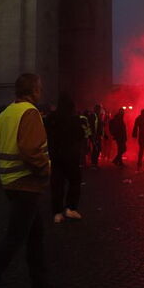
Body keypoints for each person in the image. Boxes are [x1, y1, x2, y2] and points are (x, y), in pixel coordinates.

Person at [0, 74, 53, 288]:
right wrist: (44, 169)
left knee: (36, 235)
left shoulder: (6, 113)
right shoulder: (30, 112)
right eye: (40, 88)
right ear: (33, 90)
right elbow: (30, 149)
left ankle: (41, 285)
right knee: (14, 239)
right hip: (26, 183)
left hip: (9, 181)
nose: (41, 92)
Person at [46, 93, 85, 223]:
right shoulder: (74, 119)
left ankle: (57, 213)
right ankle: (70, 208)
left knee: (57, 184)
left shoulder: (51, 118)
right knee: (74, 181)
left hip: (56, 156)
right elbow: (81, 135)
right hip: (71, 157)